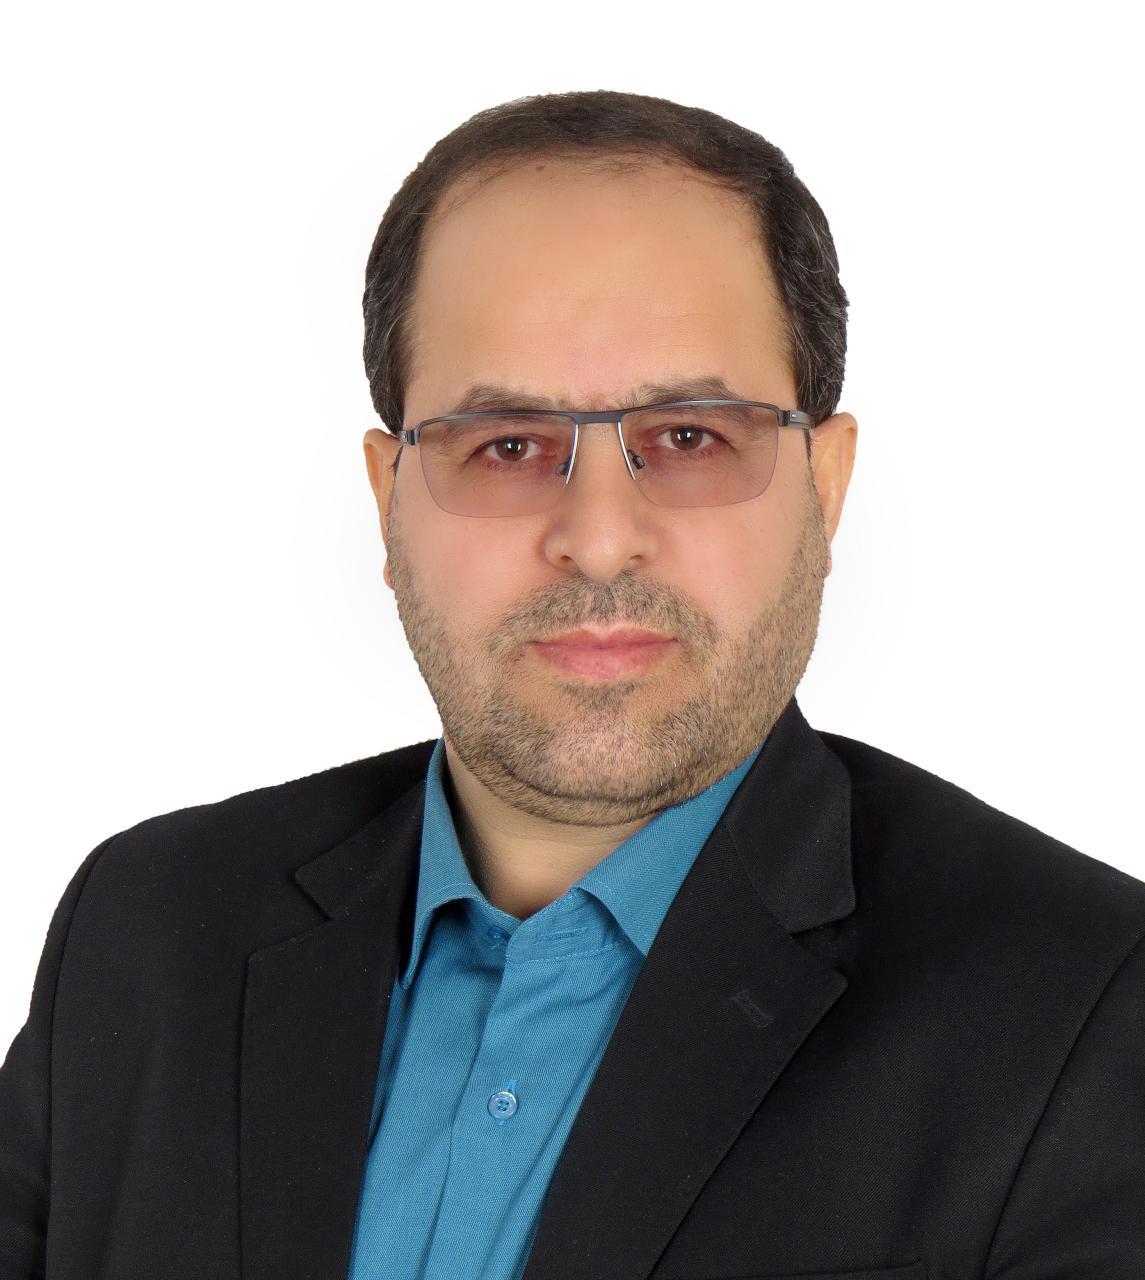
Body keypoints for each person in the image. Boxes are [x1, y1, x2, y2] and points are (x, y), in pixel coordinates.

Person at [1, 89, 1142, 1280]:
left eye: (689, 436)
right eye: (506, 445)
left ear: (825, 485)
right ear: (389, 502)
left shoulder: (1085, 1006)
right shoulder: (146, 932)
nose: (597, 540)